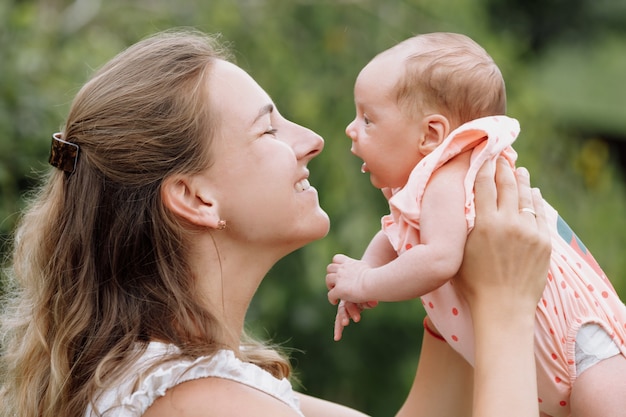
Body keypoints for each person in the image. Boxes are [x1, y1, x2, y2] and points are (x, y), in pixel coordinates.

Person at [0, 29, 550, 417]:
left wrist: (450, 282)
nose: (311, 140)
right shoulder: (206, 404)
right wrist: (506, 308)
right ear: (196, 197)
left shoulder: (194, 382)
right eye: (269, 130)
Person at [325, 32, 626, 417]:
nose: (352, 129)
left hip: (588, 354)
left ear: (431, 134)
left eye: (368, 119)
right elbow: (393, 234)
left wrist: (365, 282)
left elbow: (438, 261)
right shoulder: (428, 188)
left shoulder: (450, 178)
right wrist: (366, 268)